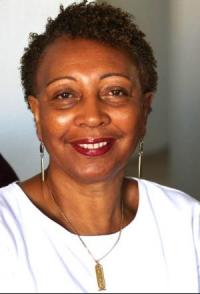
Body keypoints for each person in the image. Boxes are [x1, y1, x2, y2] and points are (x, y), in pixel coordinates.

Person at [0, 1, 199, 292]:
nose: (92, 116)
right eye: (65, 94)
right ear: (38, 114)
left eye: (115, 91)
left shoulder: (188, 223)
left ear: (145, 109)